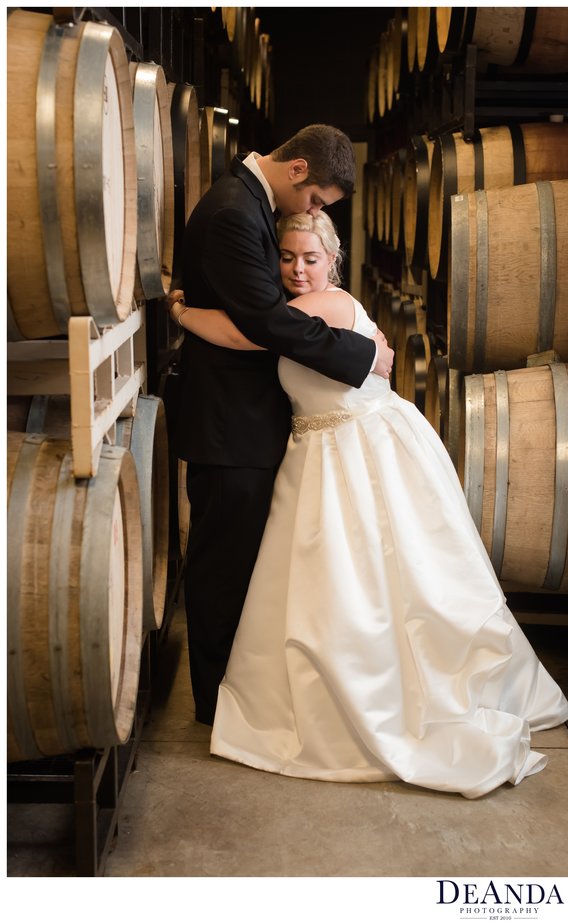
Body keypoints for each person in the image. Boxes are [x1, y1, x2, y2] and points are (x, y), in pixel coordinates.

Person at [168, 211, 568, 798]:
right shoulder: (323, 306)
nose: (298, 270)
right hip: (325, 448)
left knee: (373, 579)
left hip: (355, 448)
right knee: (345, 584)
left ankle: (384, 696)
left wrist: (177, 311)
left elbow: (241, 332)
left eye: (310, 258)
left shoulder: (323, 306)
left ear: (333, 258)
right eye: (286, 258)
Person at [171, 124, 394, 726]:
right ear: (297, 170)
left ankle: (239, 692)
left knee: (248, 567)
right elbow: (265, 324)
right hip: (228, 427)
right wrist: (363, 354)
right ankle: (217, 704)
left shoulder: (246, 206)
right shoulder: (232, 213)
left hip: (250, 422)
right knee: (221, 568)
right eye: (317, 199)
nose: (313, 211)